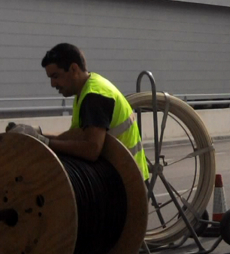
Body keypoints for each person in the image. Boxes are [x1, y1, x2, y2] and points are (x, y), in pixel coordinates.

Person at [35, 43, 149, 180]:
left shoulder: (94, 96)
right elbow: (76, 135)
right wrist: (37, 136)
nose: (53, 84)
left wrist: (47, 143)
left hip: (127, 181)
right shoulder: (85, 90)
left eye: (55, 76)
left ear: (73, 69)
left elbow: (91, 149)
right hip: (121, 173)